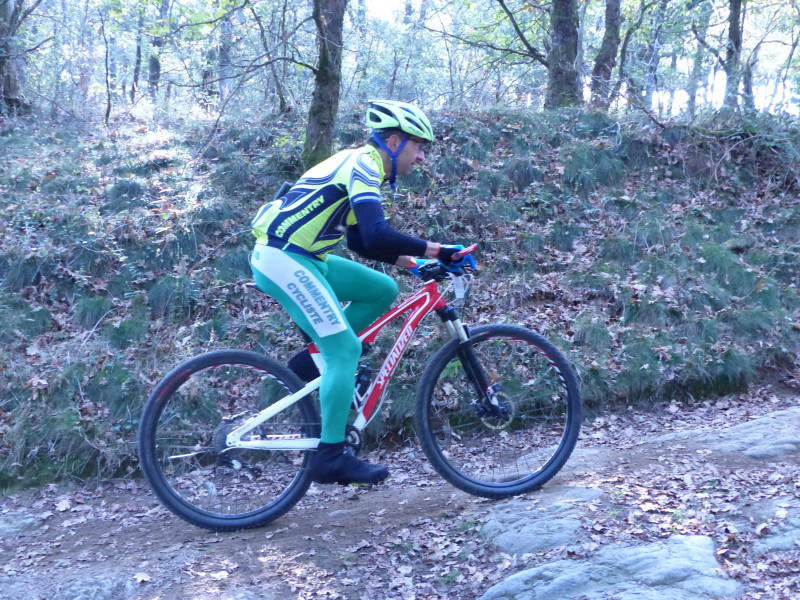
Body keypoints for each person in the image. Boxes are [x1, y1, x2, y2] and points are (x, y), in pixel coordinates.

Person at [249, 99, 474, 486]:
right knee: (345, 351)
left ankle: (313, 360)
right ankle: (330, 456)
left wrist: (415, 264)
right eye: (419, 146)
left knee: (381, 288)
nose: (422, 157)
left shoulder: (362, 167)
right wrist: (439, 250)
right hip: (283, 258)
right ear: (394, 141)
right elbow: (377, 234)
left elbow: (361, 242)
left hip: (308, 258)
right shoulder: (363, 164)